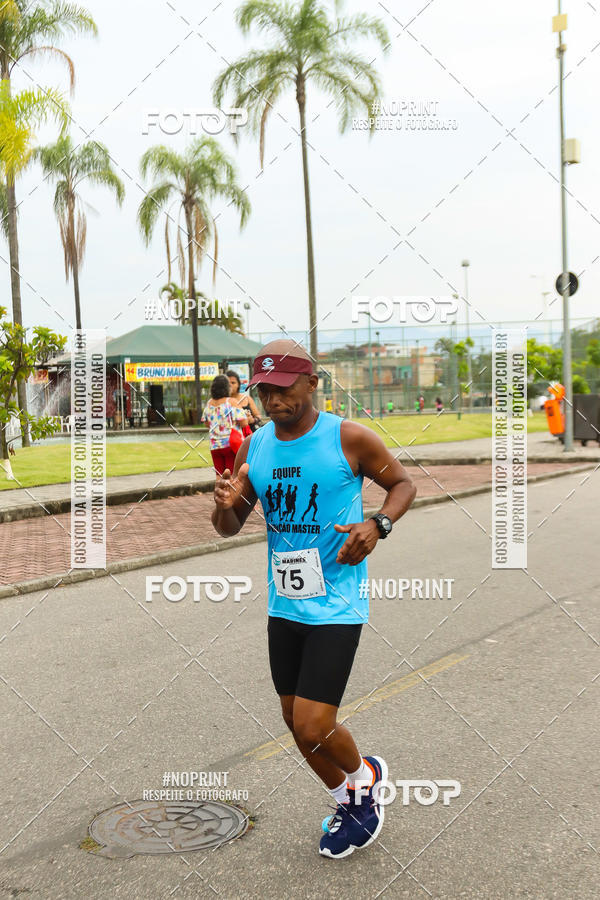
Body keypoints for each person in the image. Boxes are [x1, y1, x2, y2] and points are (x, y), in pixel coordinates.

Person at [211, 339, 416, 859]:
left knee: (313, 723)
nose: (274, 401)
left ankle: (365, 780)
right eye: (264, 391)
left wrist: (378, 523)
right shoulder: (254, 446)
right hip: (285, 604)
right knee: (293, 723)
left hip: (338, 603)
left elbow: (402, 484)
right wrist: (226, 506)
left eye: (284, 389)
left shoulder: (348, 437)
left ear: (312, 383)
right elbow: (229, 527)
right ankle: (349, 797)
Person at [201, 374, 248, 475]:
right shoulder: (232, 402)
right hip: (230, 445)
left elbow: (206, 423)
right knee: (231, 476)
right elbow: (244, 423)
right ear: (227, 388)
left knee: (219, 476)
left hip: (214, 446)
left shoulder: (209, 403)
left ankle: (218, 491)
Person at [227, 369, 262, 436]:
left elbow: (258, 415)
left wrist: (252, 420)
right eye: (228, 383)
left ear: (238, 384)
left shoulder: (246, 398)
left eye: (233, 383)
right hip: (231, 437)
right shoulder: (222, 401)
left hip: (250, 435)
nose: (230, 385)